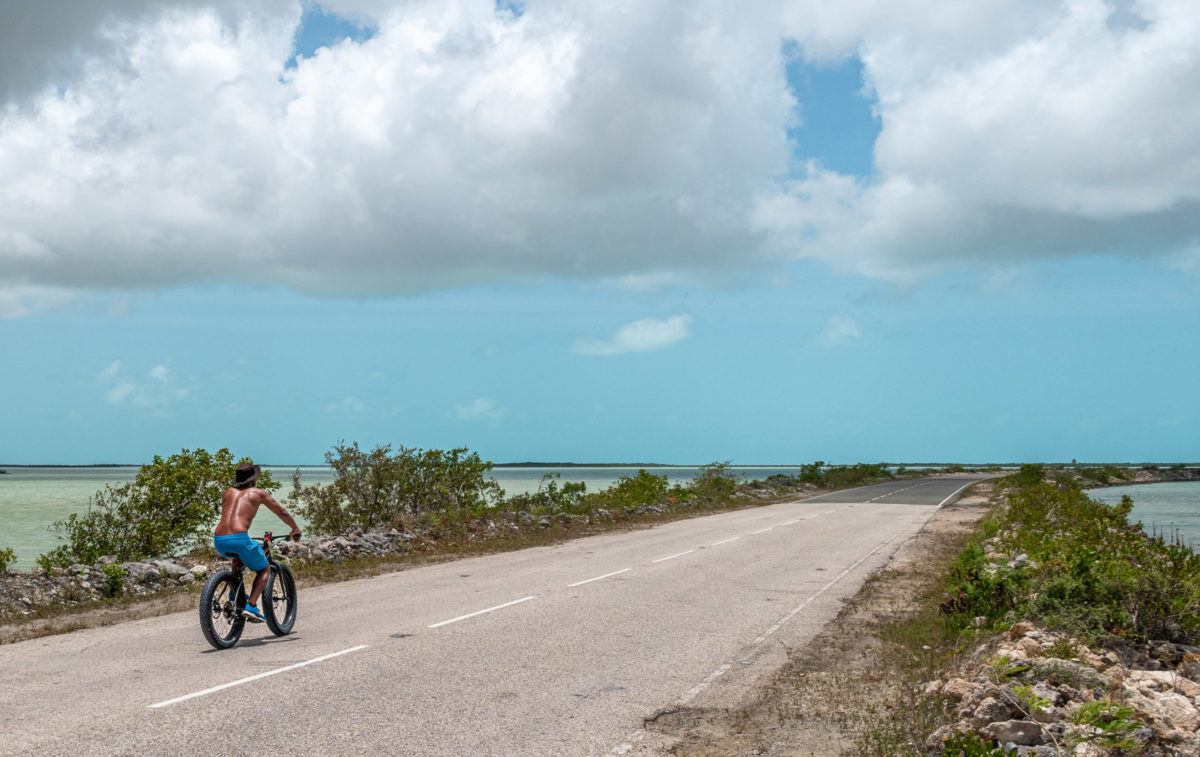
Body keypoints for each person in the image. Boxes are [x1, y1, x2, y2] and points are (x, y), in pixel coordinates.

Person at [213, 463, 301, 622]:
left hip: (219, 540)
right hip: (239, 538)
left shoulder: (227, 492)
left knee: (237, 556)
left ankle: (234, 594)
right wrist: (295, 528)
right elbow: (281, 512)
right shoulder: (258, 493)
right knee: (264, 569)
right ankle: (251, 605)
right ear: (253, 480)